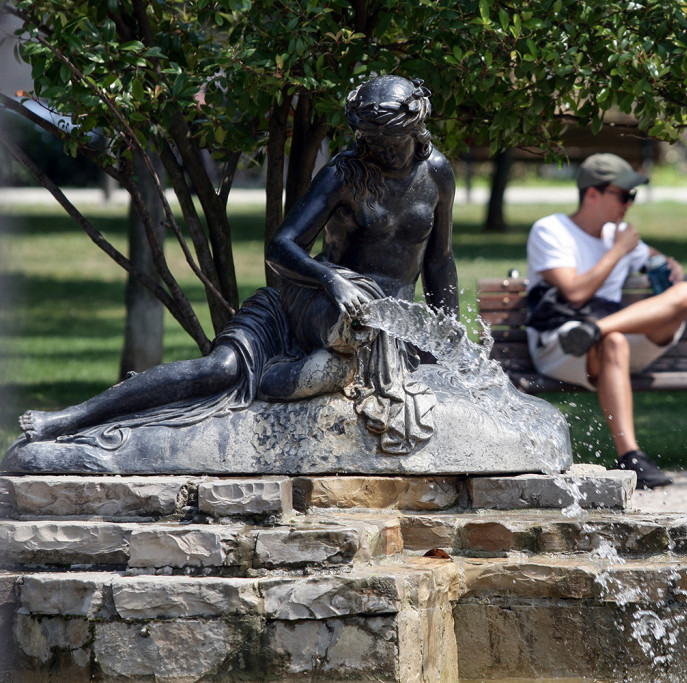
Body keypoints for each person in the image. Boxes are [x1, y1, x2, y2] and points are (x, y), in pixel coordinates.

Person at [18, 75, 458, 454]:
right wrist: (330, 279)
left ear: (416, 129)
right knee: (218, 369)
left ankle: (270, 380)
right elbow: (281, 246)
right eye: (372, 141)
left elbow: (439, 262)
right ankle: (73, 417)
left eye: (392, 141)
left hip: (375, 325)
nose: (383, 151)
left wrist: (448, 345)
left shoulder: (437, 173)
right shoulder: (345, 174)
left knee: (329, 359)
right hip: (312, 303)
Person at [525, 153, 687, 489]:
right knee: (615, 340)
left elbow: (656, 262)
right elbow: (575, 293)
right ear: (593, 194)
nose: (629, 204)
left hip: (603, 333)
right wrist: (618, 251)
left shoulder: (619, 235)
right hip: (560, 340)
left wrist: (668, 266)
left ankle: (598, 331)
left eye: (632, 196)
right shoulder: (551, 230)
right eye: (623, 195)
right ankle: (630, 455)